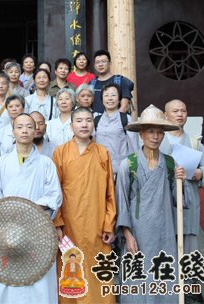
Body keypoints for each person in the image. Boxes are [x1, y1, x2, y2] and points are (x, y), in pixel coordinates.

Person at [0, 113, 62, 304]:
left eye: (29, 126)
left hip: (37, 229)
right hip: (7, 231)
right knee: (7, 283)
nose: (25, 130)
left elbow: (54, 196)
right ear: (13, 131)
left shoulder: (46, 163)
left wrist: (30, 210)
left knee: (39, 284)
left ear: (36, 130)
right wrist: (11, 213)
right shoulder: (1, 163)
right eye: (20, 127)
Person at [116, 105, 188, 304]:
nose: (155, 136)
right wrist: (127, 234)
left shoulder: (170, 163)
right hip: (137, 233)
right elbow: (121, 202)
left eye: (159, 132)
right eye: (150, 131)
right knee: (137, 282)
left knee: (163, 275)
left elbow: (178, 200)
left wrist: (181, 182)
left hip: (164, 231)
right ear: (141, 134)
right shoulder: (128, 164)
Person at [52, 107, 117, 303]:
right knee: (71, 271)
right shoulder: (60, 152)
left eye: (88, 120)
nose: (84, 124)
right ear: (71, 125)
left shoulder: (102, 153)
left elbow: (110, 193)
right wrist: (57, 224)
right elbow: (55, 193)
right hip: (70, 226)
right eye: (79, 120)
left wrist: (109, 224)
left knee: (99, 270)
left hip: (97, 225)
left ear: (93, 125)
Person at [161, 99, 204, 255]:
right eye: (175, 111)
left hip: (187, 205)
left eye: (183, 111)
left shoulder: (194, 143)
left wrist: (197, 173)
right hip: (161, 205)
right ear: (165, 115)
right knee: (163, 258)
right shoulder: (156, 141)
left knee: (187, 257)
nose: (180, 114)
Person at [94, 83, 139, 176]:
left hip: (121, 172)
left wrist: (133, 168)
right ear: (102, 100)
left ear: (119, 99)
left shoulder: (126, 119)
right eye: (106, 95)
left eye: (113, 95)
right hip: (100, 170)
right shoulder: (96, 120)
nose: (110, 98)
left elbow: (133, 145)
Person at [91, 50, 134, 114]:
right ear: (94, 65)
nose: (100, 64)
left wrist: (112, 121)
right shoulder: (91, 84)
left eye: (103, 61)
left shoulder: (121, 81)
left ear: (110, 63)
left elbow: (124, 106)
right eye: (97, 62)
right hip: (96, 122)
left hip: (116, 122)